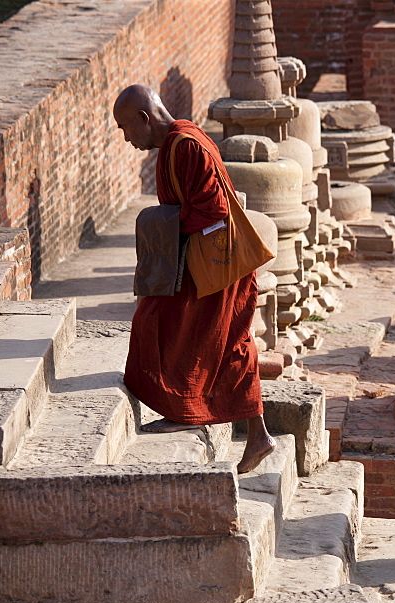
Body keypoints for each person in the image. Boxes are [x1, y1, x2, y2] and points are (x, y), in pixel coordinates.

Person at [112, 84, 274, 474]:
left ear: (144, 119)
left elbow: (214, 209)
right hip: (204, 259)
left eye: (125, 128)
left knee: (173, 327)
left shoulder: (186, 146)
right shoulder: (177, 141)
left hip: (217, 264)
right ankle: (206, 415)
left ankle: (242, 428)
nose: (125, 137)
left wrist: (162, 224)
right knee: (199, 334)